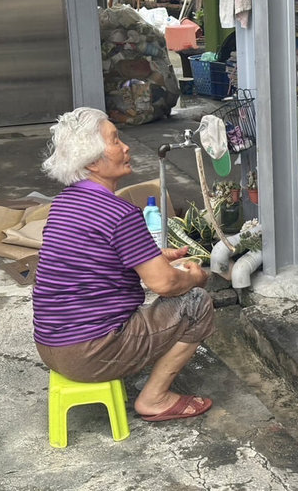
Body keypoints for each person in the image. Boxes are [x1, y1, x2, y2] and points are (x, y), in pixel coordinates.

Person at [33, 107, 215, 422]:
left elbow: (97, 261)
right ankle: (155, 398)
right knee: (197, 303)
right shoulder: (119, 213)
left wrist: (154, 261)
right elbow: (165, 284)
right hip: (89, 354)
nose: (126, 147)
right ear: (91, 161)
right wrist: (194, 277)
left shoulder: (64, 203)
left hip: (50, 347)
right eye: (116, 141)